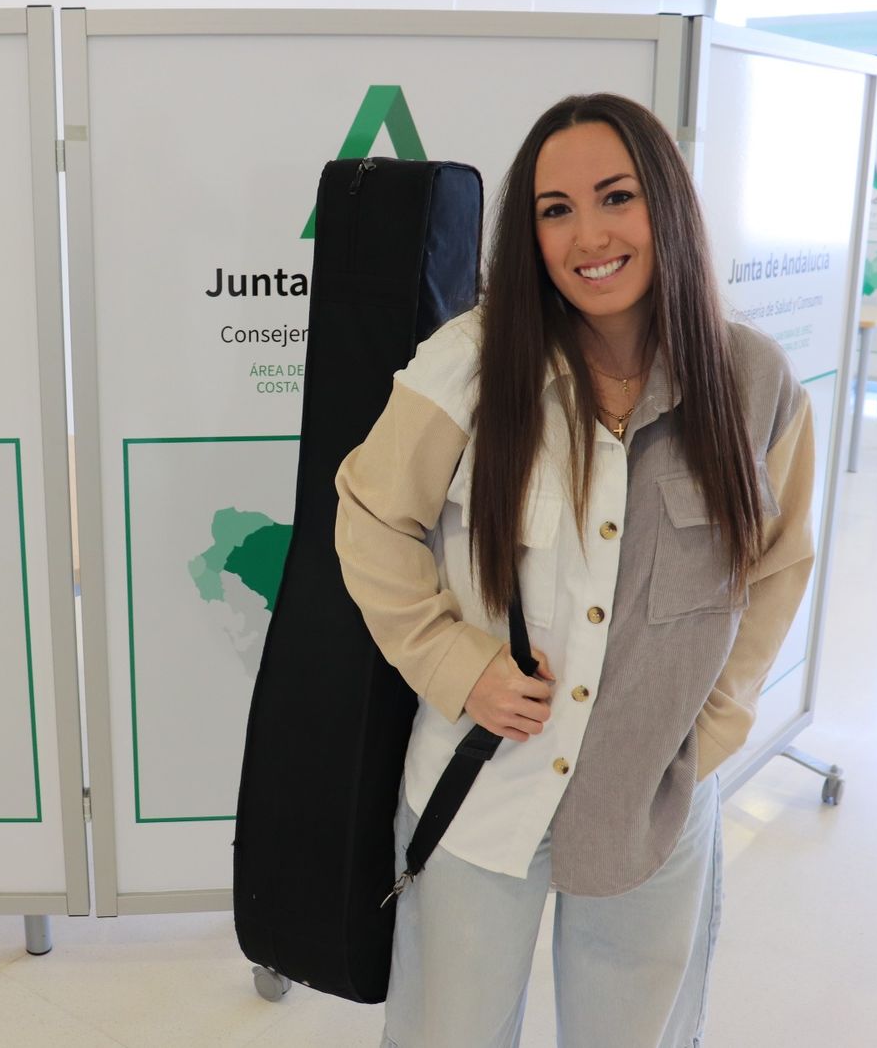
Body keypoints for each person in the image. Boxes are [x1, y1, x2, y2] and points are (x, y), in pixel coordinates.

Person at [333, 93, 817, 1047]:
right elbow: (369, 515)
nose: (588, 234)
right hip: (485, 792)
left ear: (667, 208)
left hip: (655, 795)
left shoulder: (756, 381)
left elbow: (779, 566)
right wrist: (454, 662)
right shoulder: (469, 363)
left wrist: (708, 731)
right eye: (555, 209)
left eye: (616, 197)